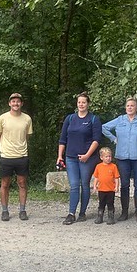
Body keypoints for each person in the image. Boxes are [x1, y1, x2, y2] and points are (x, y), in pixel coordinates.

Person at [57, 92, 102, 224]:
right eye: (79, 102)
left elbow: (96, 140)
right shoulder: (70, 118)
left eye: (83, 102)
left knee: (84, 185)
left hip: (87, 158)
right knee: (74, 185)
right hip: (71, 157)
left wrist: (87, 155)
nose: (81, 104)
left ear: (88, 104)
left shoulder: (93, 119)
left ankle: (82, 212)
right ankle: (71, 213)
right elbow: (62, 139)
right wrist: (60, 156)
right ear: (77, 104)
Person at [0, 92, 33, 221]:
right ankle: (5, 211)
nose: (15, 103)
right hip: (6, 156)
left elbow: (27, 136)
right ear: (9, 103)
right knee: (5, 183)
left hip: (22, 155)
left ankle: (22, 210)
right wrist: (5, 147)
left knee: (22, 183)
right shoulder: (2, 118)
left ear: (21, 103)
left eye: (18, 101)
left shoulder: (27, 118)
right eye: (13, 101)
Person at [92, 147, 121, 224]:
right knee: (101, 203)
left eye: (110, 156)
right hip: (101, 189)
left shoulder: (113, 166)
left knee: (110, 203)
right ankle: (100, 216)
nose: (108, 158)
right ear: (101, 157)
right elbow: (96, 177)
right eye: (106, 156)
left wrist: (117, 186)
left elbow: (116, 178)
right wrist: (94, 186)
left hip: (111, 190)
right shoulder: (98, 166)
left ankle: (111, 217)